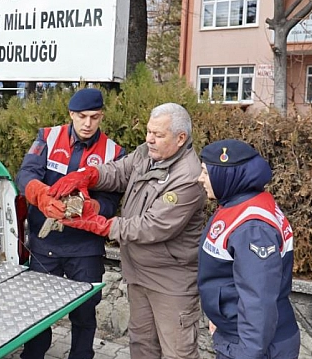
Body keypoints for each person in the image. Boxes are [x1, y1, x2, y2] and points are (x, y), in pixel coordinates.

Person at [49, 102, 206, 359]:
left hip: (170, 282)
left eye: (158, 135)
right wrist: (88, 175)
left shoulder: (188, 177)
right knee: (142, 346)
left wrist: (100, 223)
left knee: (178, 353)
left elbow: (152, 227)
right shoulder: (147, 153)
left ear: (181, 138)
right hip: (139, 274)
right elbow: (119, 172)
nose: (149, 139)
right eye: (148, 131)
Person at [15, 87, 125, 359]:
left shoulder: (114, 152)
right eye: (82, 116)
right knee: (39, 313)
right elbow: (26, 174)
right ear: (71, 114)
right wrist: (40, 195)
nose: (88, 124)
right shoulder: (48, 137)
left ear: (101, 117)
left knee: (84, 314)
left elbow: (112, 200)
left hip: (85, 248)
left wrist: (91, 208)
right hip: (45, 243)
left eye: (95, 117)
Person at [196, 139, 300, 358]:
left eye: (206, 173)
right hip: (237, 333)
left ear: (226, 175)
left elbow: (258, 300)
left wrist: (247, 352)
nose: (200, 179)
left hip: (254, 345)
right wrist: (220, 318)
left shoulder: (253, 228)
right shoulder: (238, 203)